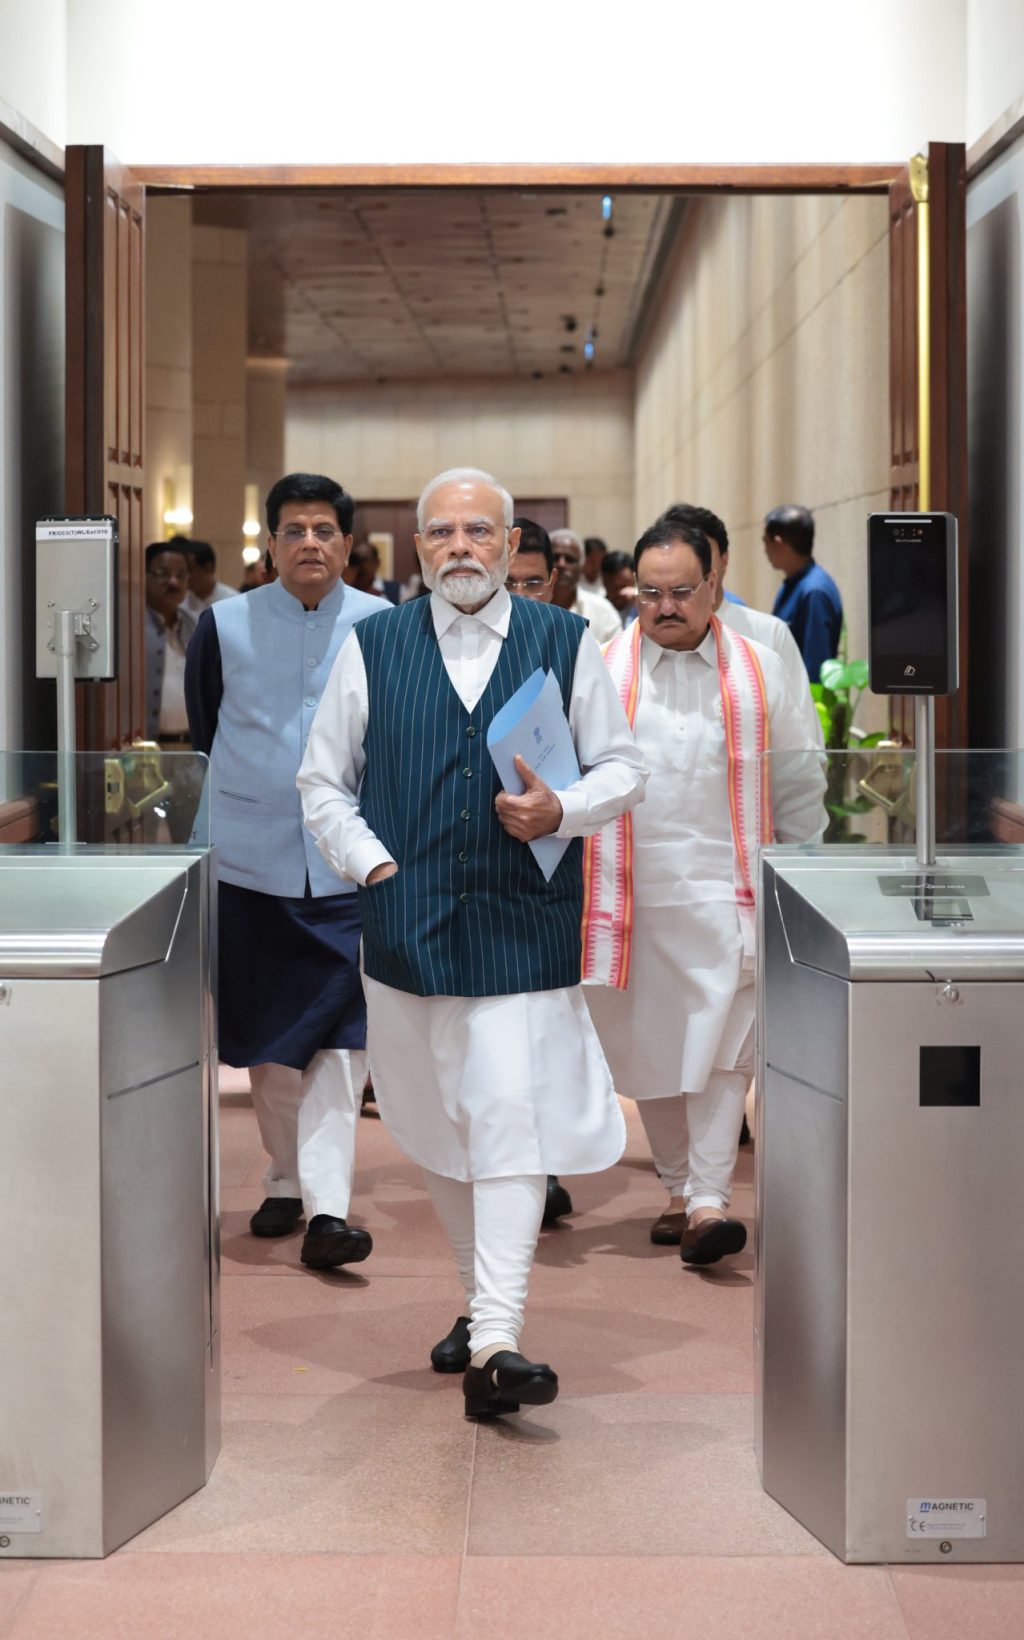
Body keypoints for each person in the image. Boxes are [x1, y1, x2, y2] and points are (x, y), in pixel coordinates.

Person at [298, 466, 647, 1419]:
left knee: (505, 1116)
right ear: (418, 550)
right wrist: (370, 864)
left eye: (479, 533)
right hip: (404, 928)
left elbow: (625, 768)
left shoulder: (565, 642)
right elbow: (322, 781)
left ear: (507, 546)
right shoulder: (371, 646)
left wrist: (562, 809)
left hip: (521, 926)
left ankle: (497, 1338)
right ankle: (478, 1309)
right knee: (435, 1124)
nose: (461, 547)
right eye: (443, 533)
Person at [584, 519, 824, 1265]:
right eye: (648, 593)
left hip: (733, 890)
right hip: (633, 893)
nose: (664, 607)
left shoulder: (760, 665)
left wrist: (806, 875)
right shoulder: (599, 668)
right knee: (648, 1042)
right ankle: (679, 1186)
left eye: (681, 592)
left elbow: (798, 773)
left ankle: (710, 1199)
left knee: (726, 1044)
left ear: (714, 585)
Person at [186, 472, 385, 1273]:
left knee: (343, 1042)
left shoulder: (384, 625)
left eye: (325, 530)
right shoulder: (223, 624)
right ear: (268, 543)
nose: (310, 542)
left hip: (349, 867)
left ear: (347, 543)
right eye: (293, 529)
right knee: (271, 1043)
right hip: (252, 862)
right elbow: (206, 725)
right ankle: (283, 1175)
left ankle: (329, 1208)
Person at [659, 504, 823, 748]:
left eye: (701, 553)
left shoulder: (769, 634)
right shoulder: (633, 646)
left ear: (724, 560)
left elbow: (804, 746)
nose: (688, 566)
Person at [763, 504, 843, 682]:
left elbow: (815, 668)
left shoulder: (814, 592)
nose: (764, 550)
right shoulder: (794, 583)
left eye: (765, 541)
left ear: (777, 542)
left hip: (803, 705)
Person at [145, 540, 197, 746]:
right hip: (147, 751)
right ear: (143, 576)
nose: (174, 582)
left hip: (192, 750)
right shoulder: (129, 629)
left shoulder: (195, 625)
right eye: (163, 573)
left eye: (181, 575)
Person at [549, 528, 621, 643]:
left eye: (569, 559)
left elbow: (616, 655)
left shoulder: (603, 611)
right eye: (555, 557)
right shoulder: (529, 609)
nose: (561, 564)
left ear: (581, 567)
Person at [180, 537, 239, 615]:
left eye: (191, 570)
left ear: (209, 567)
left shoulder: (232, 601)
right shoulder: (180, 602)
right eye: (183, 571)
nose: (187, 576)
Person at [345, 540, 401, 605]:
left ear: (377, 562)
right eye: (354, 560)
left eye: (364, 560)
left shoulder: (396, 590)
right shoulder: (345, 593)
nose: (359, 565)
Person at [601, 550, 639, 626]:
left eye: (624, 586)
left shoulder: (641, 605)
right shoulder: (598, 609)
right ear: (604, 582)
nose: (620, 592)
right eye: (614, 587)